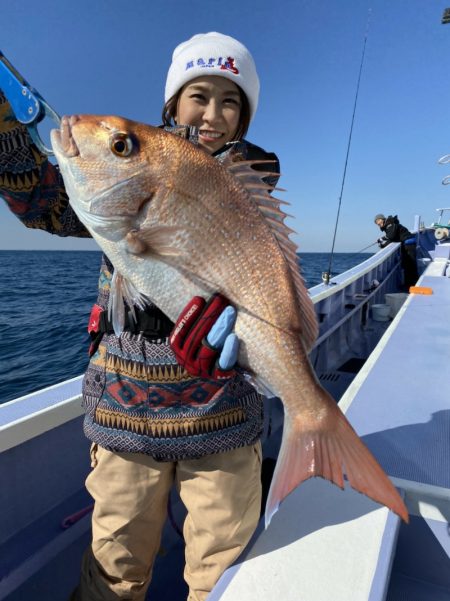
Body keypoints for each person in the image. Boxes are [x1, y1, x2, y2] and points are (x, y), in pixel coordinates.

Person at [0, 32, 280, 601]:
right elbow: (45, 205)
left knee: (224, 576)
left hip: (224, 416)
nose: (213, 113)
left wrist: (251, 338)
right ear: (171, 105)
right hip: (125, 417)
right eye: (198, 95)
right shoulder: (127, 177)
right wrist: (7, 124)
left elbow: (265, 285)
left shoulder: (249, 192)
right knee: (114, 574)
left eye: (232, 101)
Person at [374, 213, 418, 288]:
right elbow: (393, 239)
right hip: (406, 244)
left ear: (382, 219)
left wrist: (381, 239)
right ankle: (409, 285)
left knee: (410, 265)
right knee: (406, 265)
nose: (377, 223)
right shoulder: (389, 226)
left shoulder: (390, 224)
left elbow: (391, 236)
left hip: (409, 244)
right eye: (376, 222)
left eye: (378, 220)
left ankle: (413, 284)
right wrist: (383, 244)